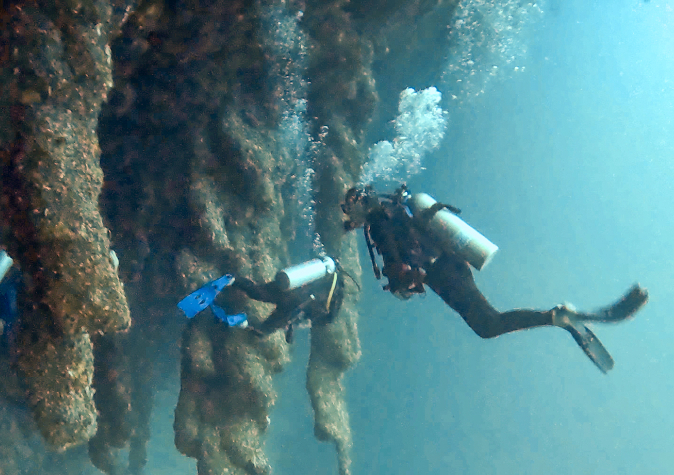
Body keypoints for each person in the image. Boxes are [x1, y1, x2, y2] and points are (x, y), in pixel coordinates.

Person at [341, 184, 648, 373]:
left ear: (361, 204)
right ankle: (557, 318)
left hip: (442, 273)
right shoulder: (394, 210)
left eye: (348, 207)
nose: (347, 213)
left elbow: (399, 265)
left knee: (488, 324)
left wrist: (401, 281)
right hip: (451, 264)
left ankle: (558, 317)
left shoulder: (378, 224)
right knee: (488, 324)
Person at [176, 252, 349, 342]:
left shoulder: (325, 281)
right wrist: (289, 326)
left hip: (288, 285)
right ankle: (241, 321)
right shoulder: (325, 313)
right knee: (262, 331)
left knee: (257, 292)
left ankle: (232, 280)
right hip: (290, 303)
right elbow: (296, 316)